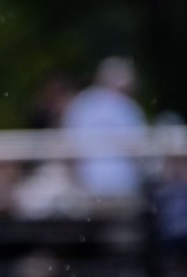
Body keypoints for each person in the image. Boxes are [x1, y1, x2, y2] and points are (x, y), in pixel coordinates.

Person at [61, 57, 148, 200]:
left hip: (88, 185)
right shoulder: (130, 108)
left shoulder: (81, 103)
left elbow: (68, 148)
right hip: (121, 187)